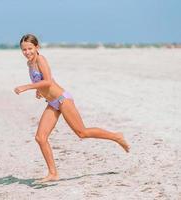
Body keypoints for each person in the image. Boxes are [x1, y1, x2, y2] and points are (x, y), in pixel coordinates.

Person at [14, 34, 130, 183]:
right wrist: (39, 91)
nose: (27, 52)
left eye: (30, 48)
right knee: (40, 138)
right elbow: (43, 81)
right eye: (24, 50)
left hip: (63, 100)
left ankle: (116, 136)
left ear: (37, 47)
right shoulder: (30, 64)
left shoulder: (41, 59)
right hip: (52, 103)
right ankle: (53, 173)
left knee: (82, 132)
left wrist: (27, 87)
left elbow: (48, 81)